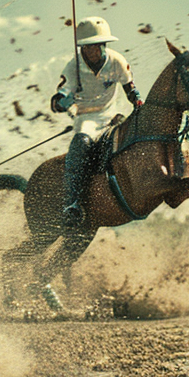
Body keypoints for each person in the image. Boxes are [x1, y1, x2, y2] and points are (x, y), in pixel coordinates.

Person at [49, 16, 141, 228]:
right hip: (86, 118)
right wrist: (64, 101)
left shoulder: (116, 60)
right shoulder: (73, 67)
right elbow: (57, 101)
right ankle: (71, 203)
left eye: (98, 45)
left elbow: (130, 88)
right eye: (89, 47)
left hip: (113, 114)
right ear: (82, 47)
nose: (94, 51)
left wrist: (137, 100)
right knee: (81, 144)